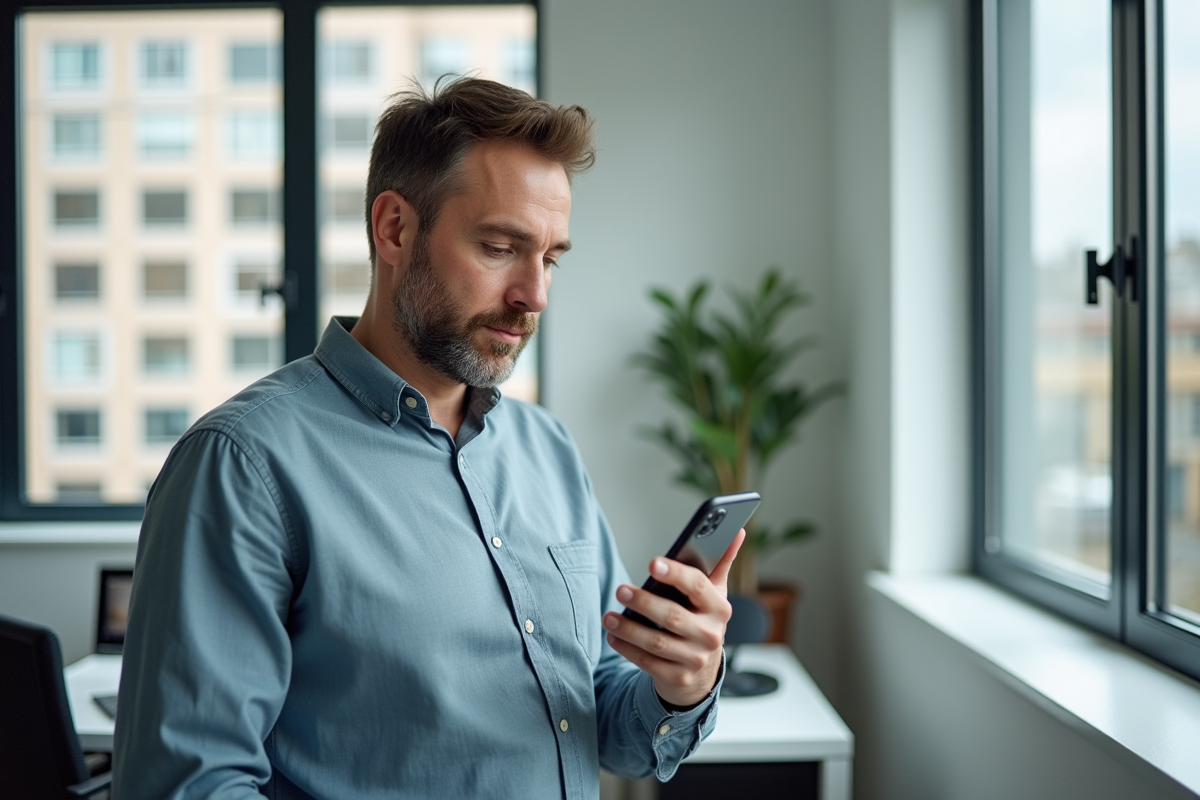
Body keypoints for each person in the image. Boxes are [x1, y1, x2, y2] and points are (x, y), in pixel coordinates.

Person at [112, 77, 741, 800]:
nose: (535, 294)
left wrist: (679, 686)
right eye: (501, 246)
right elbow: (191, 786)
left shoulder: (548, 450)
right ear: (395, 229)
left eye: (552, 257)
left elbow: (601, 713)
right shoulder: (243, 465)